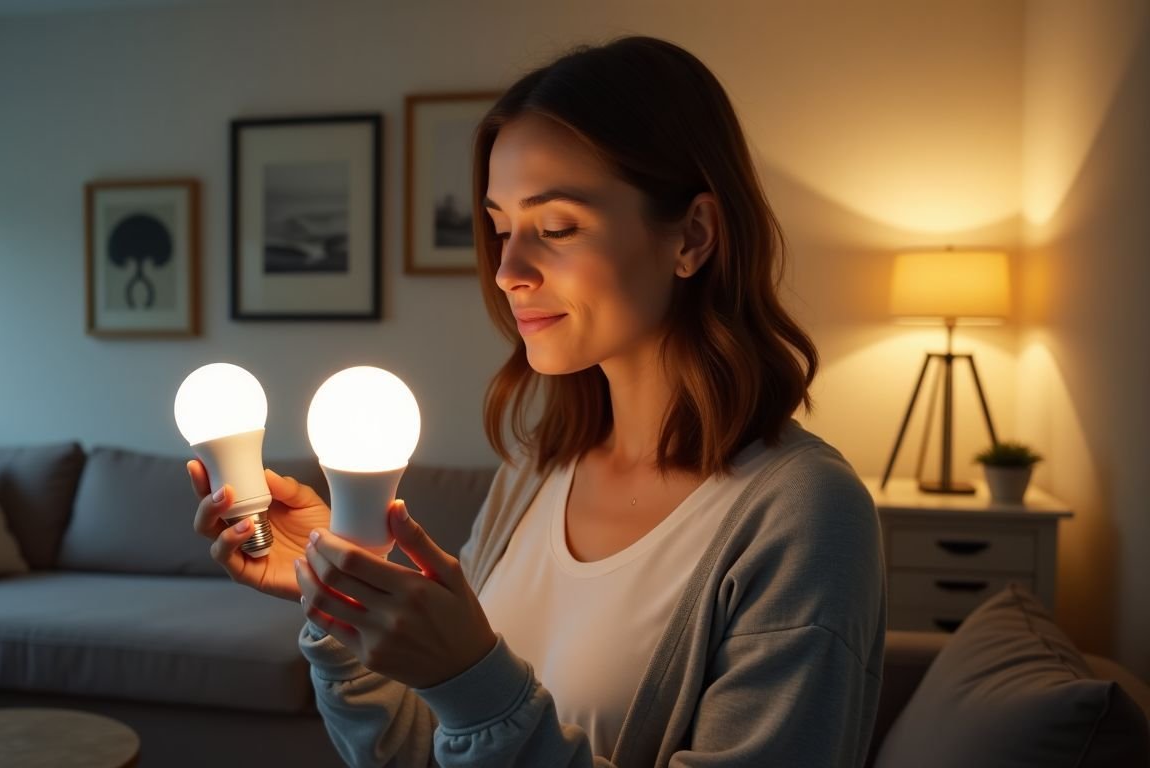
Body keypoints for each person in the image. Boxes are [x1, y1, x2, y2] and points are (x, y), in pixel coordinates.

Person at [189, 34, 886, 768]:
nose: (509, 270)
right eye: (498, 228)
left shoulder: (806, 513)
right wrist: (349, 593)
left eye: (556, 228)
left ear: (694, 234)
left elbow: (478, 705)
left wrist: (475, 680)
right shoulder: (536, 471)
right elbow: (417, 754)